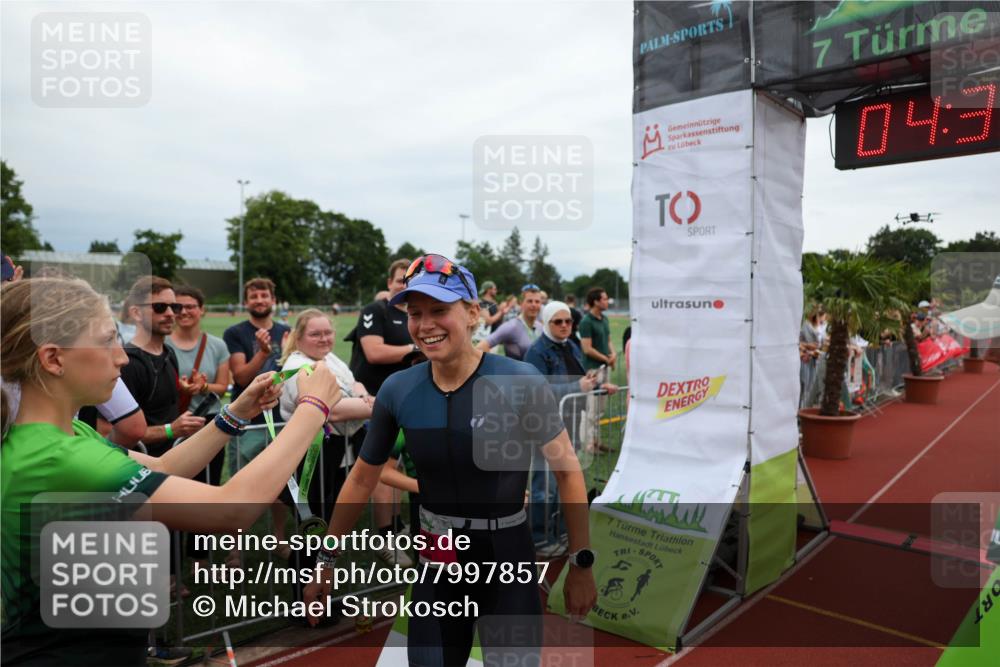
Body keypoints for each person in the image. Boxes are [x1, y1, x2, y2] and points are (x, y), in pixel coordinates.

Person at [1, 276, 341, 665]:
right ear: (53, 359)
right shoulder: (58, 457)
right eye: (107, 341)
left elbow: (165, 466)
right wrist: (313, 408)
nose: (122, 357)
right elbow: (230, 510)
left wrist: (236, 413)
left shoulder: (61, 435)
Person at [302, 255, 597, 666]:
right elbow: (361, 480)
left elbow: (567, 472)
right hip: (436, 563)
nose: (425, 325)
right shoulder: (398, 389)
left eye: (439, 310)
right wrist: (326, 561)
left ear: (473, 313)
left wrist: (581, 563)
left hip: (508, 560)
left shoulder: (518, 380)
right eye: (415, 313)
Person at [276, 309, 412, 566]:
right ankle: (306, 584)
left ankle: (321, 581)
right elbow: (332, 409)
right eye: (315, 334)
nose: (324, 339)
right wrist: (383, 405)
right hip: (310, 455)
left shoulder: (329, 358)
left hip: (335, 451)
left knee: (329, 521)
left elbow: (355, 383)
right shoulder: (298, 366)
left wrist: (363, 396)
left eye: (328, 332)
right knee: (314, 525)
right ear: (299, 337)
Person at [524, 302, 617, 553]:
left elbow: (581, 378)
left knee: (567, 481)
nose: (565, 325)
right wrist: (578, 387)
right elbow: (535, 393)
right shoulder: (536, 352)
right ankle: (540, 538)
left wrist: (599, 386)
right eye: (558, 322)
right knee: (546, 485)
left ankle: (561, 532)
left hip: (570, 422)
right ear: (547, 323)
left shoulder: (571, 345)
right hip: (545, 426)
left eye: (568, 321)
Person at [167, 285, 233, 571]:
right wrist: (180, 388)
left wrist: (203, 387)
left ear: (202, 310)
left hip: (209, 424)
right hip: (175, 423)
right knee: (168, 493)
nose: (184, 311)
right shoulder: (163, 344)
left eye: (190, 306)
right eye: (177, 306)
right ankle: (169, 562)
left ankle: (199, 556)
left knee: (206, 491)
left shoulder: (216, 345)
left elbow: (224, 386)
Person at [120, 276, 205, 457]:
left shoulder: (168, 352)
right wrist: (170, 430)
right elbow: (117, 432)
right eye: (159, 307)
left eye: (174, 307)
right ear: (136, 313)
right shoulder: (127, 363)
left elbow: (162, 409)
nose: (171, 313)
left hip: (172, 458)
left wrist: (184, 391)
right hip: (142, 465)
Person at [223, 277, 291, 472]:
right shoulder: (235, 333)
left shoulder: (286, 331)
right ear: (246, 302)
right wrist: (263, 352)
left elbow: (292, 374)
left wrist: (289, 356)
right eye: (253, 296)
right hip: (247, 422)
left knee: (281, 480)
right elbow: (241, 378)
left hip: (281, 418)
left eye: (264, 295)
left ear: (273, 300)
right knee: (243, 480)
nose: (259, 300)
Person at [347, 259, 419, 396]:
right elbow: (374, 353)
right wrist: (415, 349)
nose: (405, 286)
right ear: (389, 283)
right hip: (370, 396)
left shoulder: (416, 314)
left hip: (402, 393)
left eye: (410, 282)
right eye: (400, 281)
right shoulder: (375, 310)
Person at [579, 287, 616, 453]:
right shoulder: (586, 321)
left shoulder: (604, 319)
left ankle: (596, 441)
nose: (607, 301)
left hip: (604, 368)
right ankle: (588, 445)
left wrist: (613, 354)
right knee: (592, 409)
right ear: (595, 301)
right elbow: (587, 349)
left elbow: (608, 340)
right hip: (593, 370)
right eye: (604, 299)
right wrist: (606, 358)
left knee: (600, 409)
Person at [476, 284, 544, 361]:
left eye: (537, 302)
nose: (534, 305)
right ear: (521, 303)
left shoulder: (540, 327)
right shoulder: (511, 327)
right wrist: (493, 366)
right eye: (529, 301)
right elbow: (481, 346)